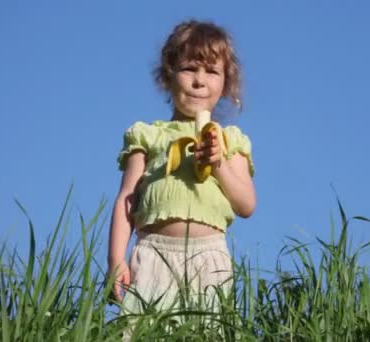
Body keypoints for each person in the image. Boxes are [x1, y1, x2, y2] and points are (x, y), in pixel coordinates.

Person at [107, 20, 256, 321]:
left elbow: (246, 205)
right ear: (168, 76)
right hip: (152, 254)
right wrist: (115, 260)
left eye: (212, 71)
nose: (199, 81)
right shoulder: (149, 135)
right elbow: (126, 198)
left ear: (225, 84)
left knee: (205, 331)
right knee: (141, 330)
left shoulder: (230, 141)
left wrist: (218, 166)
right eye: (189, 68)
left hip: (209, 259)